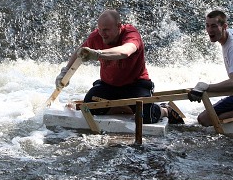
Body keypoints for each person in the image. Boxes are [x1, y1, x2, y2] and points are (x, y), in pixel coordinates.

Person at [54, 9, 184, 125]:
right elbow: (80, 53)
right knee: (89, 108)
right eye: (99, 29)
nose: (102, 34)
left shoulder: (131, 34)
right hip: (108, 85)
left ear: (118, 27)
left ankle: (165, 109)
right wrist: (65, 72)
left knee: (147, 118)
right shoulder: (97, 36)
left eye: (106, 30)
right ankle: (126, 107)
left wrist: (98, 54)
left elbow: (125, 51)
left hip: (136, 84)